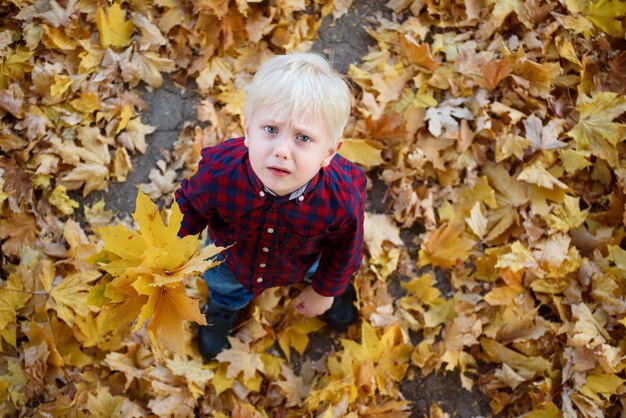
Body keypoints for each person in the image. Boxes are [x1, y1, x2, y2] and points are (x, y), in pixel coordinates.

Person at [175, 53, 366, 361]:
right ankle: (223, 311)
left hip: (304, 258)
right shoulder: (220, 172)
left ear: (329, 152)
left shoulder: (340, 197)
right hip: (232, 258)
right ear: (248, 130)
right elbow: (189, 206)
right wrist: (172, 247)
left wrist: (325, 290)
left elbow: (346, 246)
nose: (281, 151)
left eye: (303, 137)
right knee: (225, 288)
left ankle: (330, 295)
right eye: (271, 129)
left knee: (325, 272)